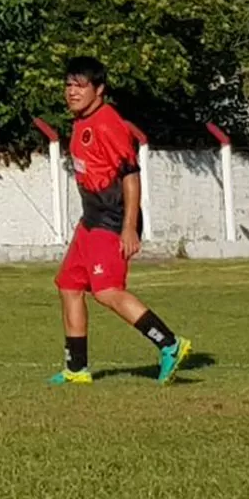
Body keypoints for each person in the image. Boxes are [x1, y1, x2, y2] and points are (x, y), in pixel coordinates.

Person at [50, 56, 191, 386]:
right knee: (69, 285)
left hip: (111, 221)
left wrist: (129, 227)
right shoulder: (81, 122)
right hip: (91, 220)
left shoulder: (106, 123)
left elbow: (130, 175)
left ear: (99, 90)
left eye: (80, 86)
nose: (72, 92)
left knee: (108, 291)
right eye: (69, 85)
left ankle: (170, 343)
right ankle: (77, 368)